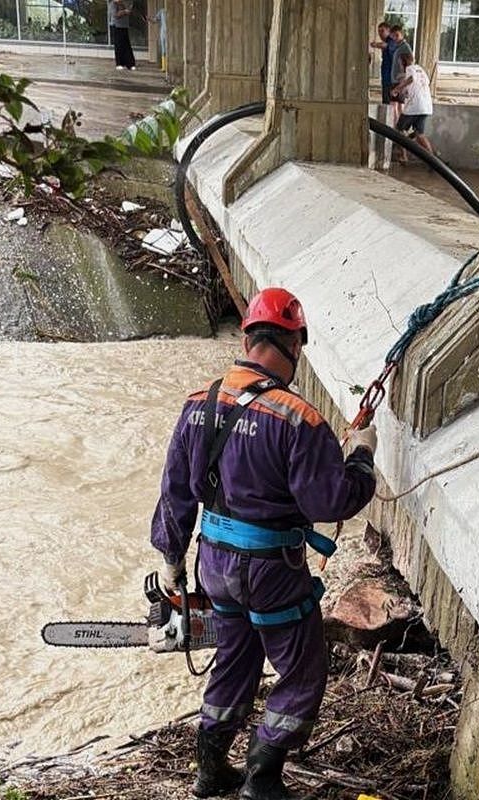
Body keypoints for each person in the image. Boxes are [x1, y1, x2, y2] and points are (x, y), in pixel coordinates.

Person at [151, 288, 378, 800]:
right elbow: (330, 500)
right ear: (294, 343)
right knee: (301, 668)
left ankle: (209, 770)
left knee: (236, 657)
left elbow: (176, 493)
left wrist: (171, 562)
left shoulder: (198, 403)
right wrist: (361, 456)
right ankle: (263, 774)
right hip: (271, 572)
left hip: (214, 565)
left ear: (249, 336)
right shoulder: (300, 418)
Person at [393, 52, 435, 165]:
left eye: (399, 62)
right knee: (419, 134)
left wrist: (397, 88)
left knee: (399, 130)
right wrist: (405, 91)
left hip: (415, 106)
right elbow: (419, 85)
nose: (399, 65)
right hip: (426, 106)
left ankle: (404, 156)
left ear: (403, 62)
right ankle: (433, 161)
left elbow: (411, 79)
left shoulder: (410, 69)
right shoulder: (421, 69)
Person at [368, 22, 397, 106]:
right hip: (386, 77)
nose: (380, 34)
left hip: (391, 78)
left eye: (382, 31)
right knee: (386, 100)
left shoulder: (391, 41)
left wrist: (375, 44)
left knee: (390, 103)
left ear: (388, 31)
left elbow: (386, 46)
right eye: (379, 31)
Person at [108, 0, 136, 71]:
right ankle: (119, 63)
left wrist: (125, 9)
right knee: (118, 45)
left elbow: (130, 9)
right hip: (116, 25)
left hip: (124, 25)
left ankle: (130, 64)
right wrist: (124, 12)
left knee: (127, 45)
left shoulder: (126, 2)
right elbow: (115, 15)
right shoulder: (113, 3)